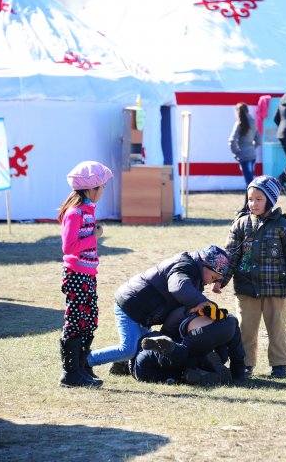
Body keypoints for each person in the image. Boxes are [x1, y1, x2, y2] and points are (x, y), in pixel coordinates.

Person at [214, 175, 286, 379]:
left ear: (271, 201)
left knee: (277, 328)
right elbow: (230, 255)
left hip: (275, 288)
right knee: (245, 329)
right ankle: (245, 364)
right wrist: (220, 279)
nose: (253, 204)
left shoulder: (284, 227)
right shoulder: (240, 224)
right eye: (250, 199)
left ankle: (280, 364)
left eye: (258, 199)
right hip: (246, 288)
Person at [86, 245, 230, 375]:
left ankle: (119, 366)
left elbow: (179, 308)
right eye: (213, 277)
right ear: (204, 265)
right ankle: (85, 361)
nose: (212, 281)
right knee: (128, 349)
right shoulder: (184, 266)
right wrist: (204, 303)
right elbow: (179, 287)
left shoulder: (195, 276)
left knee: (142, 347)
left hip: (143, 312)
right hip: (129, 306)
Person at [57, 160, 113, 388]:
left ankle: (82, 366)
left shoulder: (88, 210)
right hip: (76, 275)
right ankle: (70, 372)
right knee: (76, 320)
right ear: (91, 188)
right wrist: (95, 237)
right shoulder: (75, 213)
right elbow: (69, 247)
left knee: (89, 319)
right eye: (102, 187)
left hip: (88, 274)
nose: (103, 191)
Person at [132, 301, 246, 385]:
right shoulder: (190, 307)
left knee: (183, 357)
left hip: (148, 368)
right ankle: (205, 367)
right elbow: (236, 350)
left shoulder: (180, 313)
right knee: (188, 359)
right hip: (227, 324)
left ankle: (195, 370)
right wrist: (238, 373)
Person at [229, 102, 262, 187]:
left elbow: (232, 140)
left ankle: (249, 200)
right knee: (250, 181)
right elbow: (258, 140)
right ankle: (249, 200)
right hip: (252, 154)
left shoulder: (239, 124)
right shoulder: (253, 122)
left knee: (249, 183)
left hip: (243, 154)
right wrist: (252, 148)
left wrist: (236, 152)